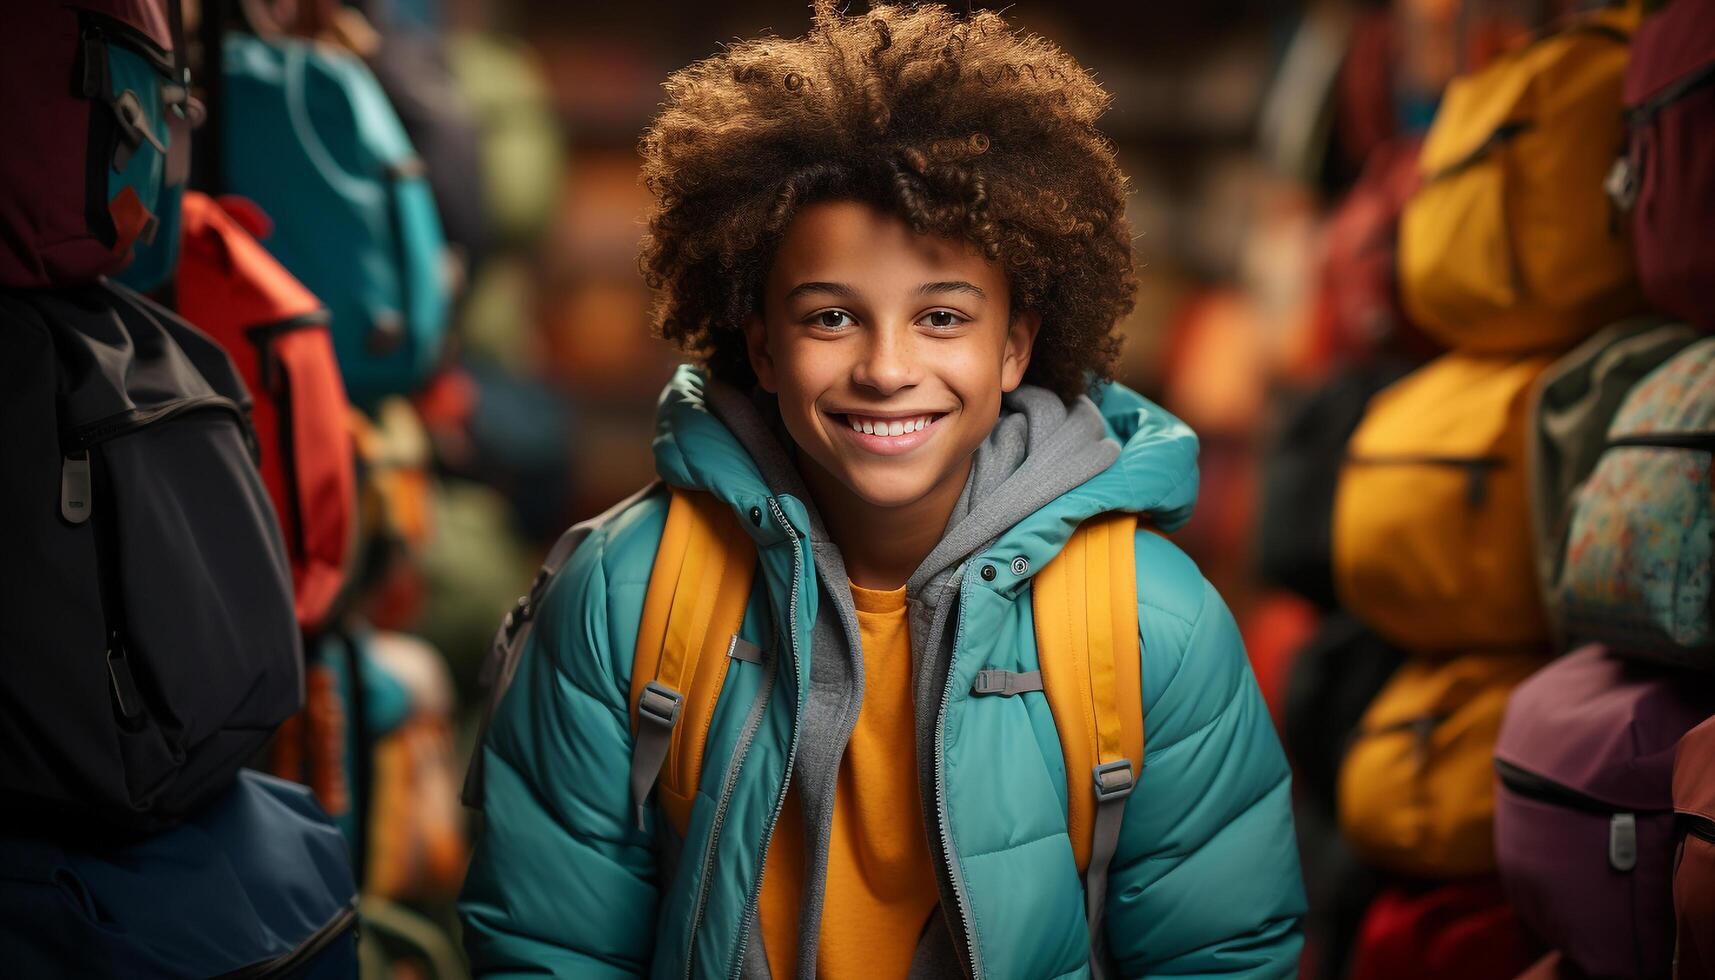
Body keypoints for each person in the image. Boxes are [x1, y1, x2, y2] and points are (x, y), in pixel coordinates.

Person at [458, 3, 1305, 977]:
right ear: (759, 344)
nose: (887, 366)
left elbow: (1221, 957)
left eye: (941, 315)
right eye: (830, 318)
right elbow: (545, 950)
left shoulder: (1152, 622)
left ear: (1014, 345)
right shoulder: (622, 595)